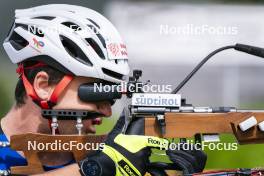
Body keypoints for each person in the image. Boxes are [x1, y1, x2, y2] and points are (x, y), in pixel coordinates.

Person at [1, 4, 207, 176]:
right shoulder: (103, 162)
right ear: (43, 86)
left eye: (111, 96)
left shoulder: (103, 155)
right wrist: (96, 169)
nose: (107, 112)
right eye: (96, 91)